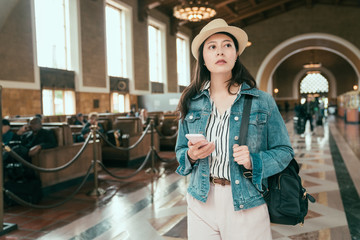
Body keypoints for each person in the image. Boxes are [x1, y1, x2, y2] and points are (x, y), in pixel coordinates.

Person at [175, 19, 294, 240]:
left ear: (236, 53)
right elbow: (180, 151)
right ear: (203, 57)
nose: (220, 51)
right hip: (200, 200)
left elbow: (284, 151)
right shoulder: (192, 102)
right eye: (212, 46)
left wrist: (254, 161)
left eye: (227, 45)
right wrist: (190, 155)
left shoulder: (261, 101)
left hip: (247, 202)